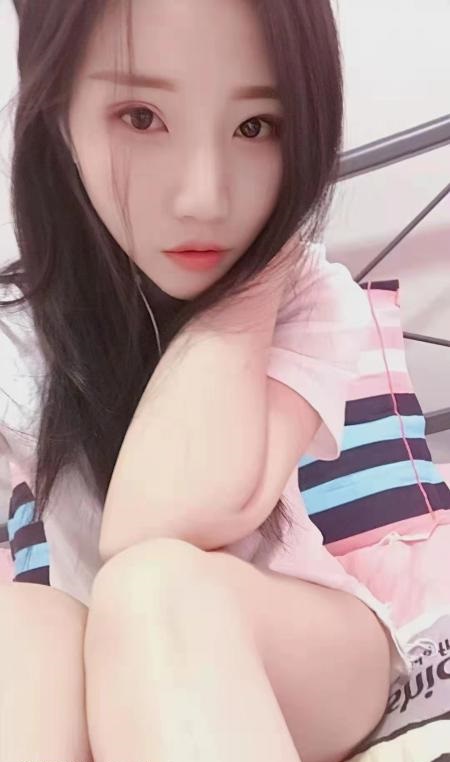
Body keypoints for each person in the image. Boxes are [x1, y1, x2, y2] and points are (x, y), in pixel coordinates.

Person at [0, 1, 414, 760]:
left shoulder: (308, 297)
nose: (205, 198)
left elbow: (161, 522)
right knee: (26, 622)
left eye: (257, 127)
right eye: (141, 116)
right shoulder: (14, 333)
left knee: (153, 588)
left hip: (308, 648)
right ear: (59, 115)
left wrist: (265, 270)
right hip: (96, 652)